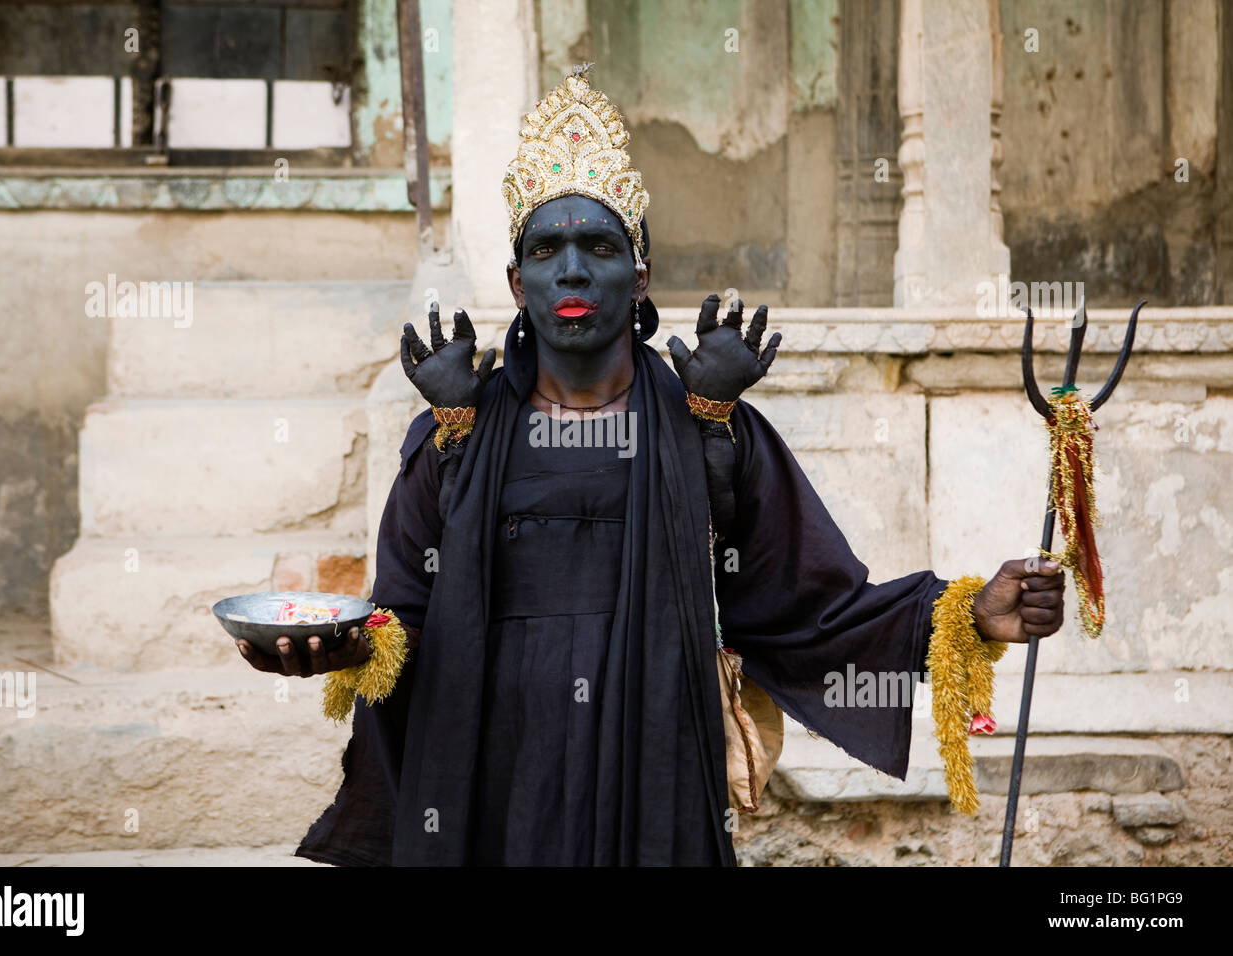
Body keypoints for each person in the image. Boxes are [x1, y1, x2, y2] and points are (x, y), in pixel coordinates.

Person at [235, 65, 1066, 866]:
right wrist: (331, 649)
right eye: (546, 249)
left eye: (596, 244)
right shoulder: (456, 437)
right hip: (490, 782)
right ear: (515, 280)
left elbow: (813, 607)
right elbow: (402, 624)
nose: (570, 269)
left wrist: (972, 616)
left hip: (656, 771)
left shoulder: (712, 433)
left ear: (640, 277)